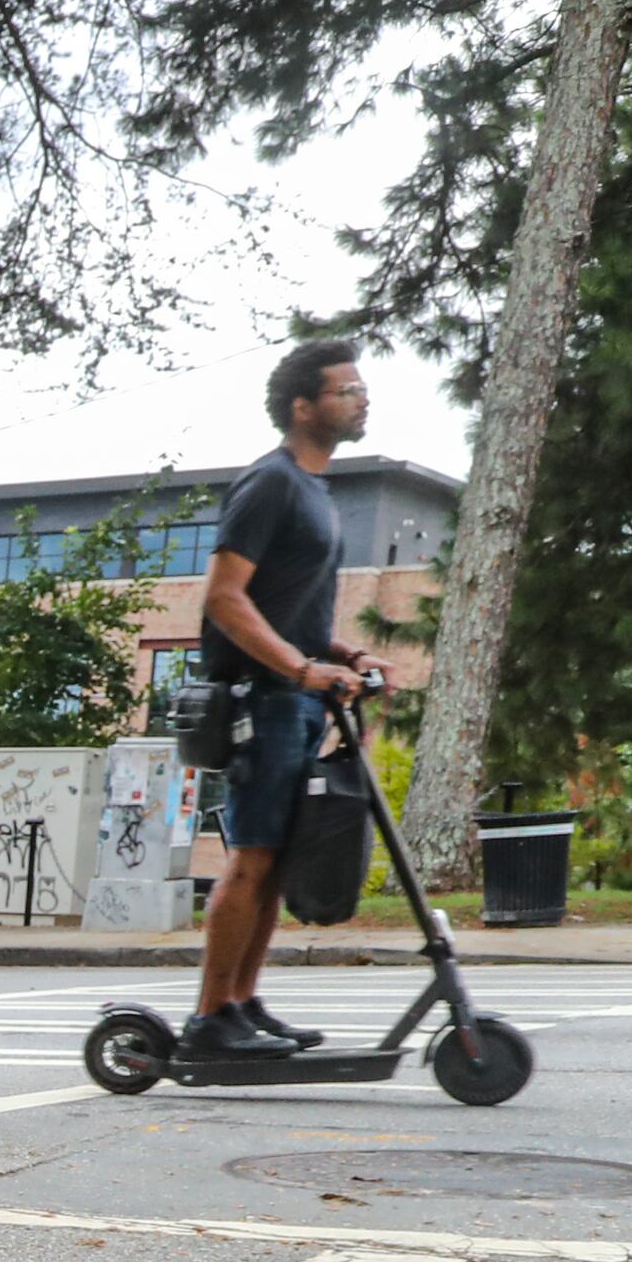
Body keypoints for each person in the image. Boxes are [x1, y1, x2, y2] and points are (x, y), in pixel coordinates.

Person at [190, 336, 376, 1058]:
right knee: (253, 857)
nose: (362, 400)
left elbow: (286, 610)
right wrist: (300, 672)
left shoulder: (315, 490)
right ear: (304, 407)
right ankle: (210, 1019)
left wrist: (341, 653)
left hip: (295, 696)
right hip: (263, 699)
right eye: (346, 390)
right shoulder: (270, 484)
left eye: (361, 389)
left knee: (276, 859)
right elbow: (226, 600)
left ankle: (240, 1002)